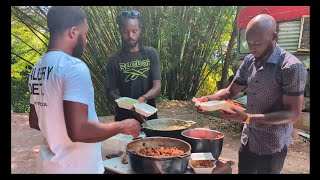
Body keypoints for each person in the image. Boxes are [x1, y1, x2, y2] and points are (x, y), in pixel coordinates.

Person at [28, 6, 141, 174]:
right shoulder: (73, 67)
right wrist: (121, 126)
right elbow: (78, 130)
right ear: (74, 32)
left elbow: (36, 121)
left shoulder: (38, 66)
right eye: (85, 34)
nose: (86, 41)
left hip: (49, 167)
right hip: (77, 168)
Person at [195, 14, 307, 174]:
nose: (252, 48)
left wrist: (248, 117)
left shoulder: (290, 67)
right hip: (248, 140)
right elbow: (230, 91)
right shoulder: (249, 61)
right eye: (249, 43)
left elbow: (293, 114)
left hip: (272, 146)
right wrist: (207, 99)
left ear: (274, 37)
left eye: (257, 43)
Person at [105, 10, 161, 122]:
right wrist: (129, 105)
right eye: (126, 32)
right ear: (120, 31)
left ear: (140, 30)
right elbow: (110, 93)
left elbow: (157, 87)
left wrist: (143, 98)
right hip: (124, 119)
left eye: (134, 31)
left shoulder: (151, 54)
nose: (131, 36)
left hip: (149, 117)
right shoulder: (114, 59)